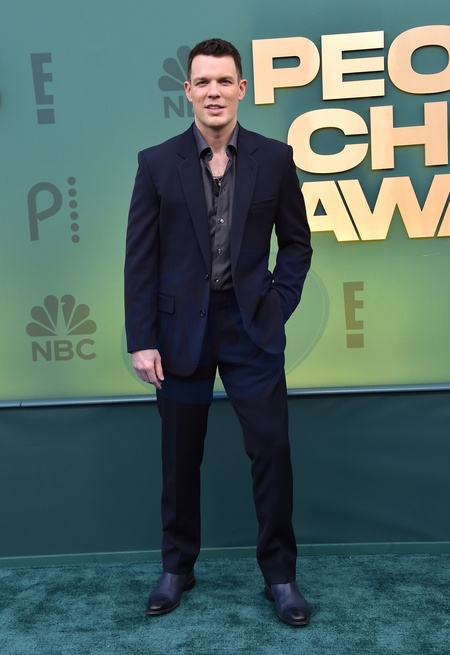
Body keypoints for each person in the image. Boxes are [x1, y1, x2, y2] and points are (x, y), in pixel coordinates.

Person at [124, 38, 313, 627]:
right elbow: (140, 260)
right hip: (178, 333)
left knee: (272, 452)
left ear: (241, 89)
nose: (214, 92)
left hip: (251, 327)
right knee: (180, 457)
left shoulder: (275, 159)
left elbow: (298, 246)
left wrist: (276, 306)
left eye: (224, 81)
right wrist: (141, 338)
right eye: (203, 82)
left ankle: (280, 576)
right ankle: (176, 567)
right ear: (188, 91)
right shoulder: (157, 163)